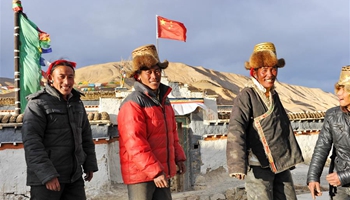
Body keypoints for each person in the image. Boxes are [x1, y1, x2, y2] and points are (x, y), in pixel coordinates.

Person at [226, 42, 304, 200]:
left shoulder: (274, 95)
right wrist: (237, 164)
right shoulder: (246, 96)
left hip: (281, 164)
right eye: (264, 69)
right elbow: (236, 129)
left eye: (273, 68)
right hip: (258, 166)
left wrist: (290, 156)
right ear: (254, 72)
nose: (270, 74)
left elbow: (283, 128)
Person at [117, 44, 187, 200]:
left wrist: (179, 157)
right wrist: (155, 171)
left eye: (157, 71)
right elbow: (135, 143)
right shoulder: (133, 103)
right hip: (141, 175)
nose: (154, 76)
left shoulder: (164, 101)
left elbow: (171, 133)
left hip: (161, 172)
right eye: (148, 72)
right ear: (138, 76)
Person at [22, 59, 98, 200]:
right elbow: (32, 143)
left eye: (70, 77)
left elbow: (85, 136)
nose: (67, 82)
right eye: (61, 77)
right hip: (46, 179)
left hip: (74, 177)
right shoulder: (37, 104)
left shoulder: (77, 103)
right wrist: (48, 175)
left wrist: (89, 164)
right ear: (50, 78)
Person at [307, 65, 350, 200]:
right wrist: (313, 177)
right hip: (340, 186)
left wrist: (343, 176)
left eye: (344, 89)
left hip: (341, 178)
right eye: (338, 89)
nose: (338, 93)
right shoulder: (332, 115)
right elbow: (322, 147)